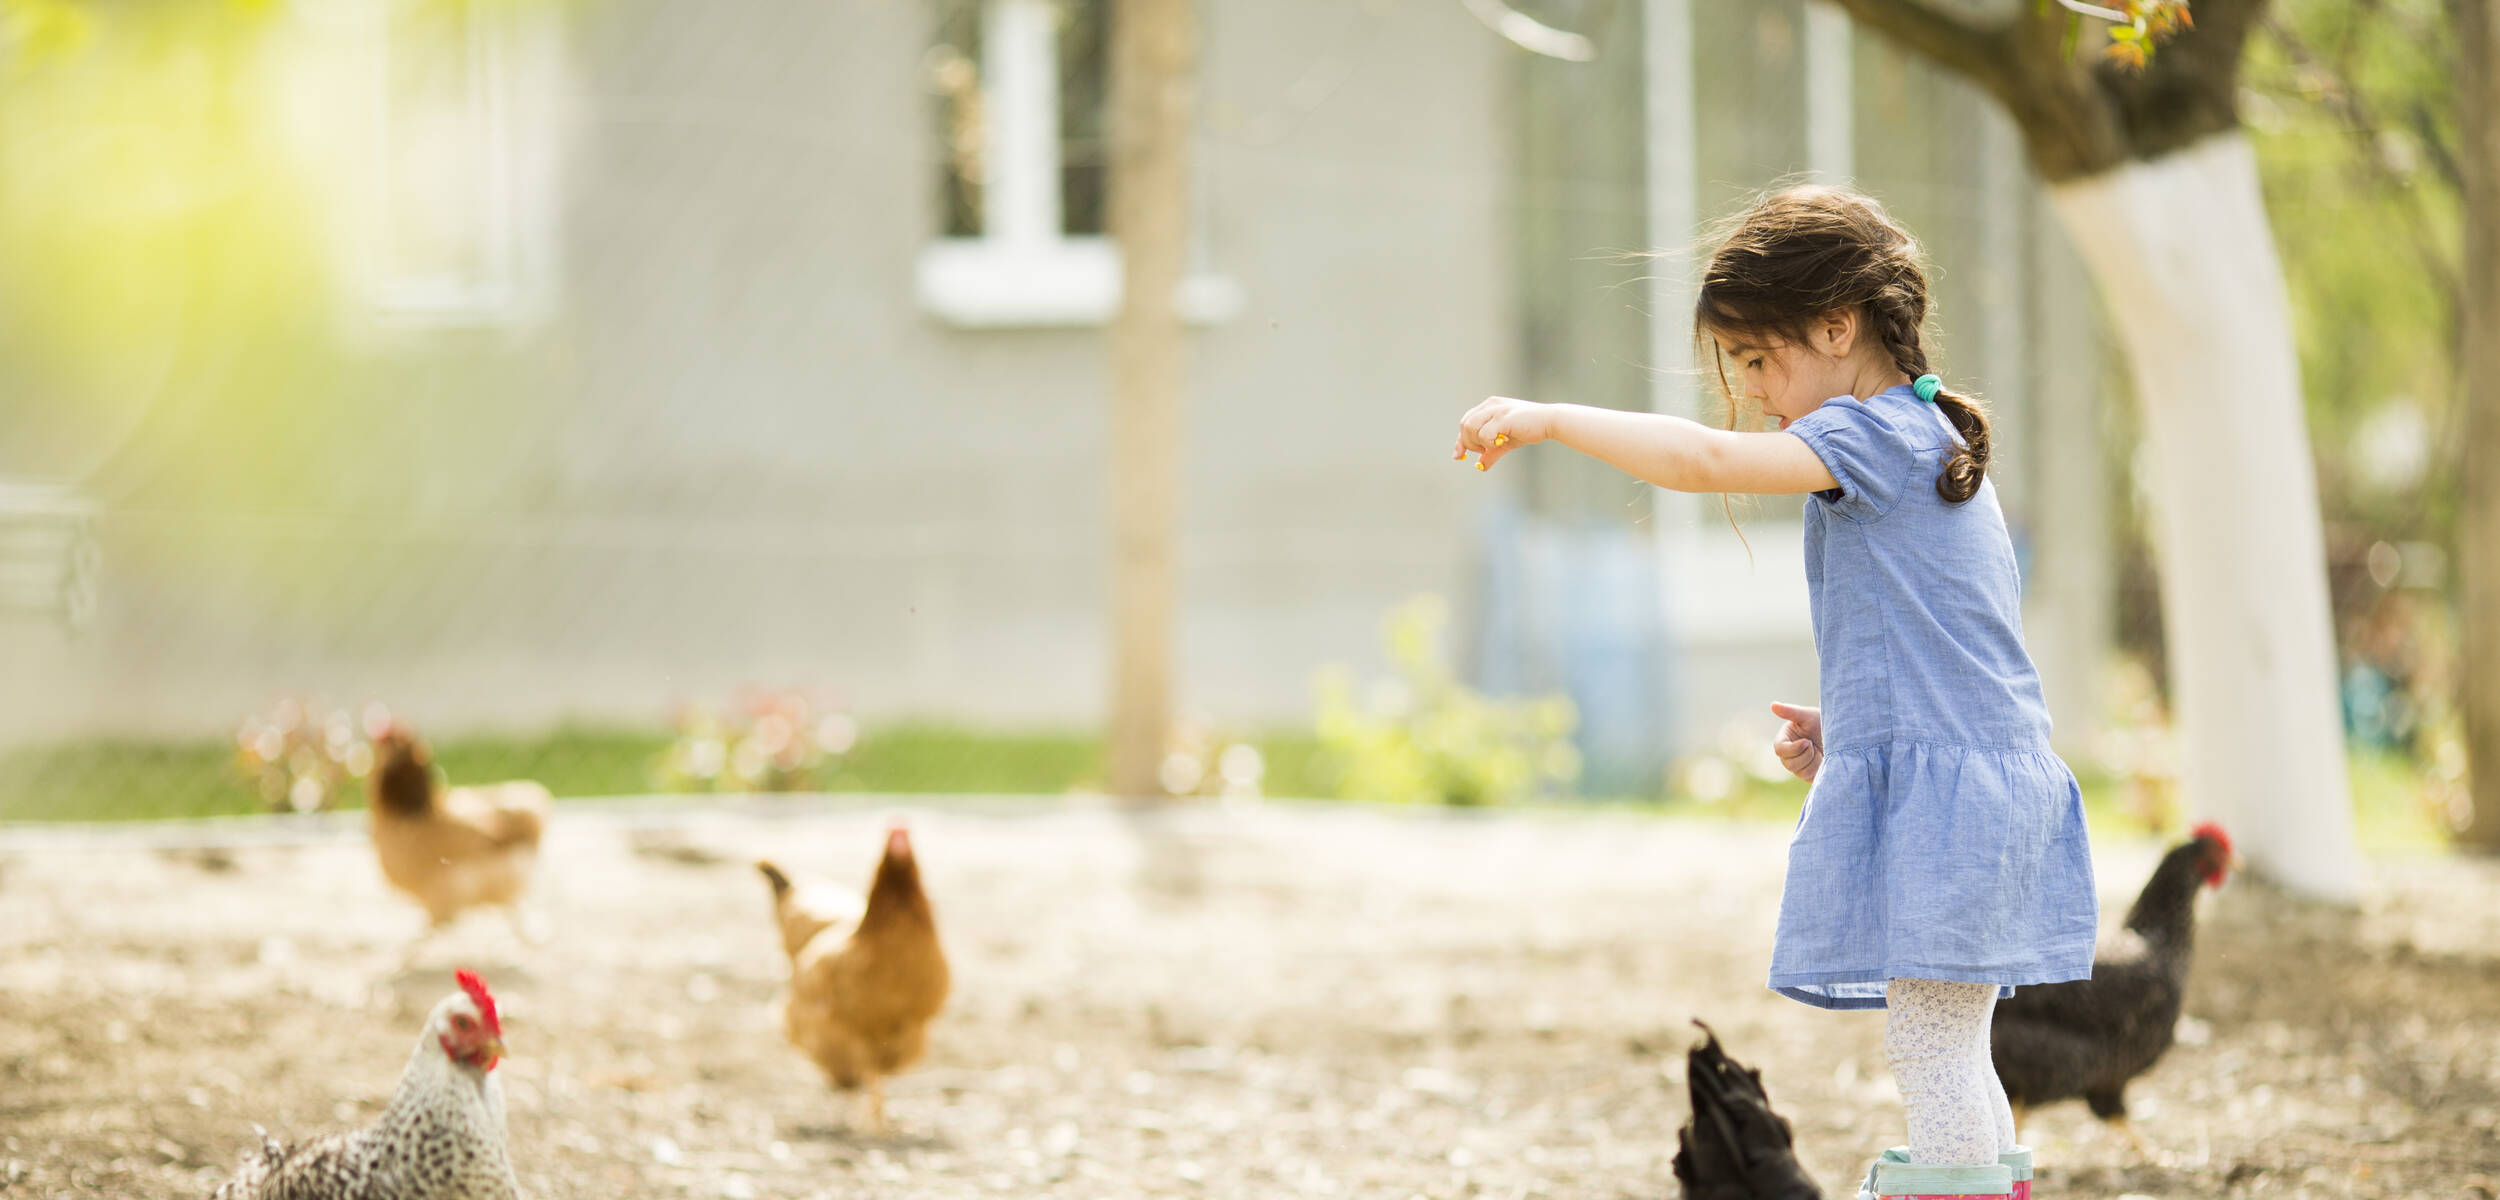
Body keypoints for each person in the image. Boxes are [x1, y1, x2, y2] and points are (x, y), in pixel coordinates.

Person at [1452, 185, 2096, 1200]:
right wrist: (1860, 724)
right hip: (1983, 783)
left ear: (1837, 328)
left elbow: (1705, 461)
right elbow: (1957, 642)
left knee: (1929, 1046)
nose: (1751, 390)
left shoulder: (1875, 437)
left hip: (1961, 806)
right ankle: (1975, 1183)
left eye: (1758, 359)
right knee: (1949, 1043)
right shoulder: (1921, 440)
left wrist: (1552, 420)